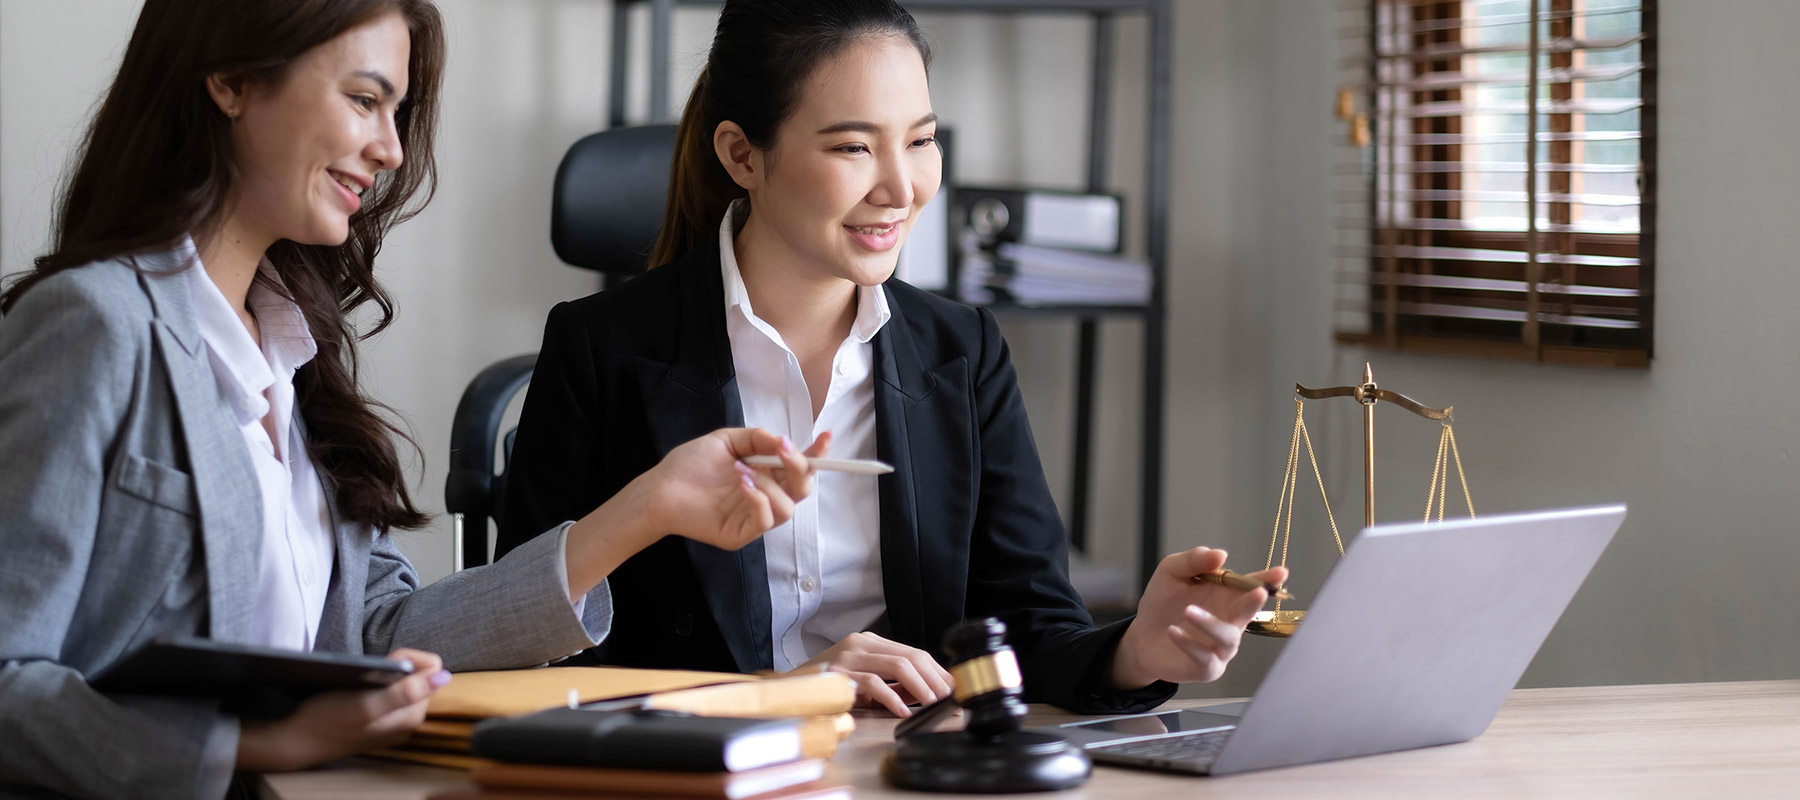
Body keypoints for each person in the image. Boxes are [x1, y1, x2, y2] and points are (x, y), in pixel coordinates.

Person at [0, 2, 814, 798]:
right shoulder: (95, 324)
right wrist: (250, 745)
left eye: (396, 112)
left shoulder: (292, 351)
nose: (390, 149)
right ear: (233, 81)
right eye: (364, 99)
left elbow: (379, 631)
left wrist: (646, 509)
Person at [495, 0, 1287, 718]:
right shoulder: (601, 349)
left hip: (908, 768)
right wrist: (777, 697)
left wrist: (1136, 650)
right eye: (853, 146)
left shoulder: (963, 352)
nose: (902, 188)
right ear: (741, 155)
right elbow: (531, 654)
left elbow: (1030, 628)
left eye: (921, 141)